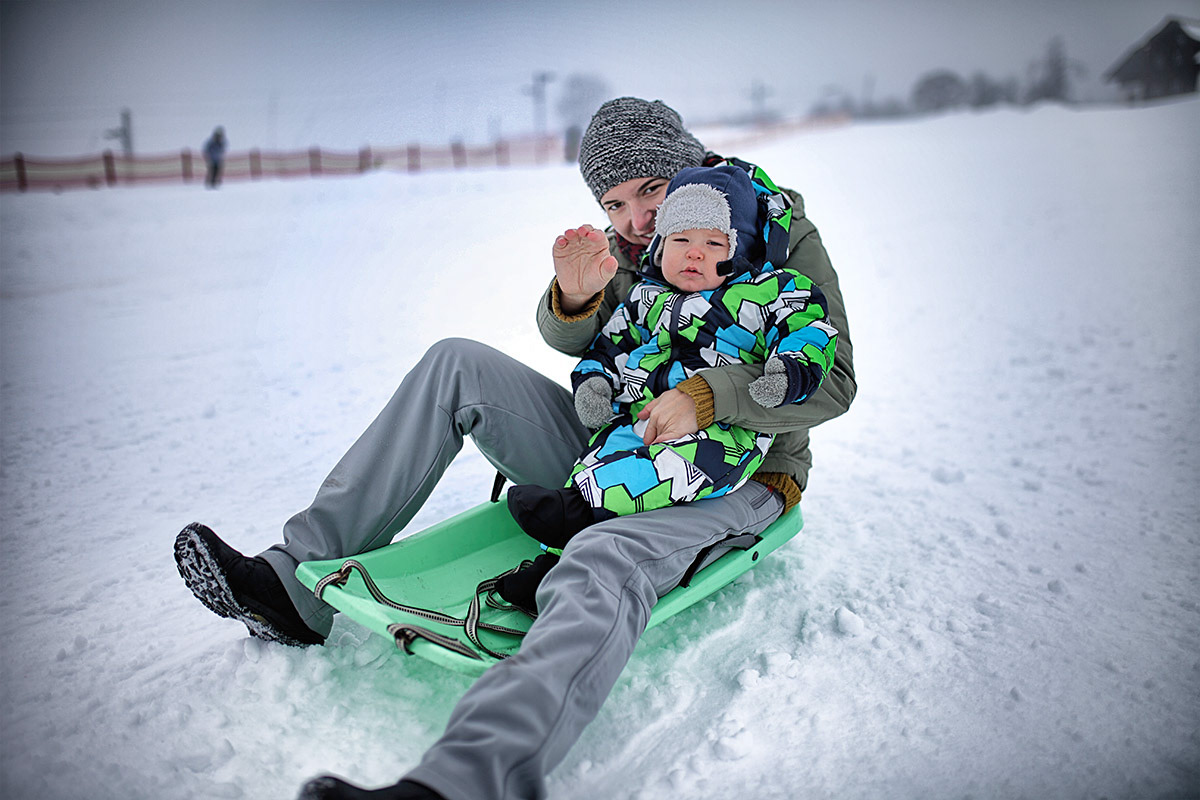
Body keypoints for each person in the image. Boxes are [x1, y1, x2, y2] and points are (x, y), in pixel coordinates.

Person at [173, 97, 855, 800]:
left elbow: (834, 379)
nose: (636, 221)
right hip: (622, 444)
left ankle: (464, 782)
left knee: (603, 554)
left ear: (688, 169)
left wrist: (708, 396)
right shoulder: (632, 245)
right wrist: (573, 300)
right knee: (455, 362)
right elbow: (594, 343)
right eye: (614, 204)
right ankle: (293, 586)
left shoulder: (779, 231)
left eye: (651, 190)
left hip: (738, 470)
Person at [496, 164, 839, 612]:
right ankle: (552, 562)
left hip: (724, 432)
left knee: (666, 470)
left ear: (740, 249)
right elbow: (611, 346)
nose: (694, 253)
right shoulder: (646, 297)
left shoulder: (769, 293)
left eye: (714, 243)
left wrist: (788, 371)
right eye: (680, 240)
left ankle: (581, 514)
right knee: (598, 458)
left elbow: (810, 330)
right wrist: (595, 382)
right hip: (642, 418)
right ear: (660, 247)